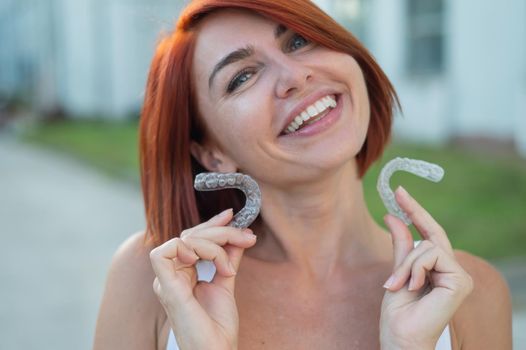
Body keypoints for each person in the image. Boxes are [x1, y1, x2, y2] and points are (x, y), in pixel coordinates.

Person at [93, 0, 512, 349]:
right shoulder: (157, 281)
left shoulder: (466, 292)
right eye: (242, 77)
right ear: (213, 154)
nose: (296, 77)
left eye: (298, 40)